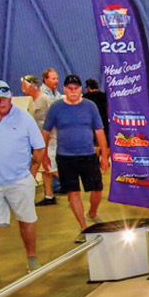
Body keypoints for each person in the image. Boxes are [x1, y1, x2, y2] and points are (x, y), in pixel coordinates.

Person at [0, 80, 46, 281]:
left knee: (27, 220)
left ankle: (32, 258)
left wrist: (31, 174)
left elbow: (39, 148)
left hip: (19, 180)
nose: (2, 102)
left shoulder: (24, 118)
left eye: (5, 98)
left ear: (11, 97)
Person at [43, 74, 109, 239]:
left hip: (88, 155)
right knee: (73, 193)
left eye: (76, 88)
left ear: (81, 89)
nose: (73, 91)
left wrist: (104, 155)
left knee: (97, 189)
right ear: (64, 89)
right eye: (69, 88)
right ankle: (83, 227)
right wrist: (43, 154)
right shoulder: (56, 108)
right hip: (65, 157)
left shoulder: (90, 106)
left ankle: (92, 212)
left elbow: (99, 131)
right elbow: (45, 132)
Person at [20, 75, 56, 205]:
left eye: (24, 85)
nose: (22, 88)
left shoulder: (44, 100)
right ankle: (49, 195)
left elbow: (52, 120)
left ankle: (73, 186)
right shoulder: (32, 101)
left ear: (31, 85)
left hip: (49, 140)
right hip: (37, 140)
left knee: (49, 168)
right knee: (44, 169)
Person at [39, 68, 62, 197]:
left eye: (57, 78)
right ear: (45, 80)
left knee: (48, 166)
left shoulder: (56, 94)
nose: (56, 81)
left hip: (56, 134)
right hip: (46, 135)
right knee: (48, 165)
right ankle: (66, 183)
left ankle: (50, 194)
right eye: (53, 79)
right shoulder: (43, 96)